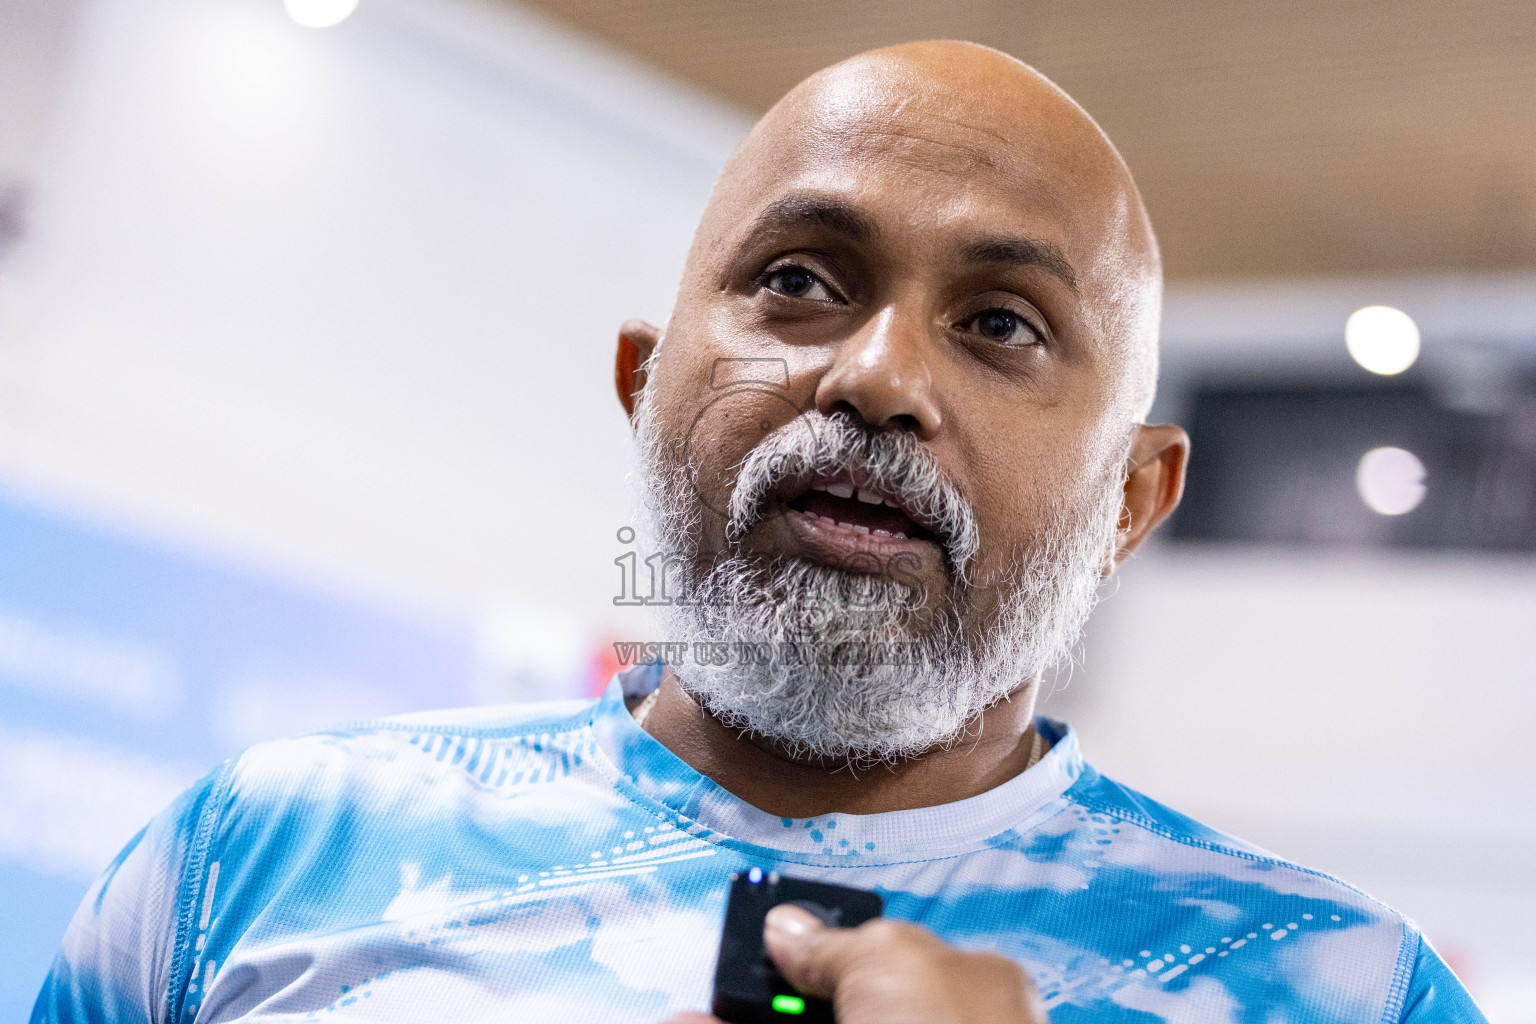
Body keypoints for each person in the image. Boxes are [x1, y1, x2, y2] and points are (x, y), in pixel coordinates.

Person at [34, 41, 1483, 1024]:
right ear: (642, 384)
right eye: (800, 278)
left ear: (1130, 502)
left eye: (1000, 323)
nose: (875, 377)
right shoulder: (252, 863)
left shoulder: (1345, 988)